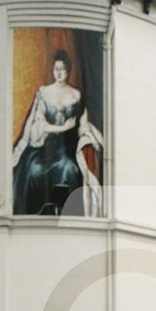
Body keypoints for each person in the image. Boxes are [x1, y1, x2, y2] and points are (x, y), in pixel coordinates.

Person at [13, 49, 102, 216]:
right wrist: (62, 128)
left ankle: (62, 212)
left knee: (69, 168)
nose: (59, 73)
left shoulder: (76, 95)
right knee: (34, 169)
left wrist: (87, 136)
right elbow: (39, 124)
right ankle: (43, 213)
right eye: (56, 69)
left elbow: (82, 123)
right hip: (47, 145)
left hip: (68, 145)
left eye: (62, 69)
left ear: (68, 70)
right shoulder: (44, 92)